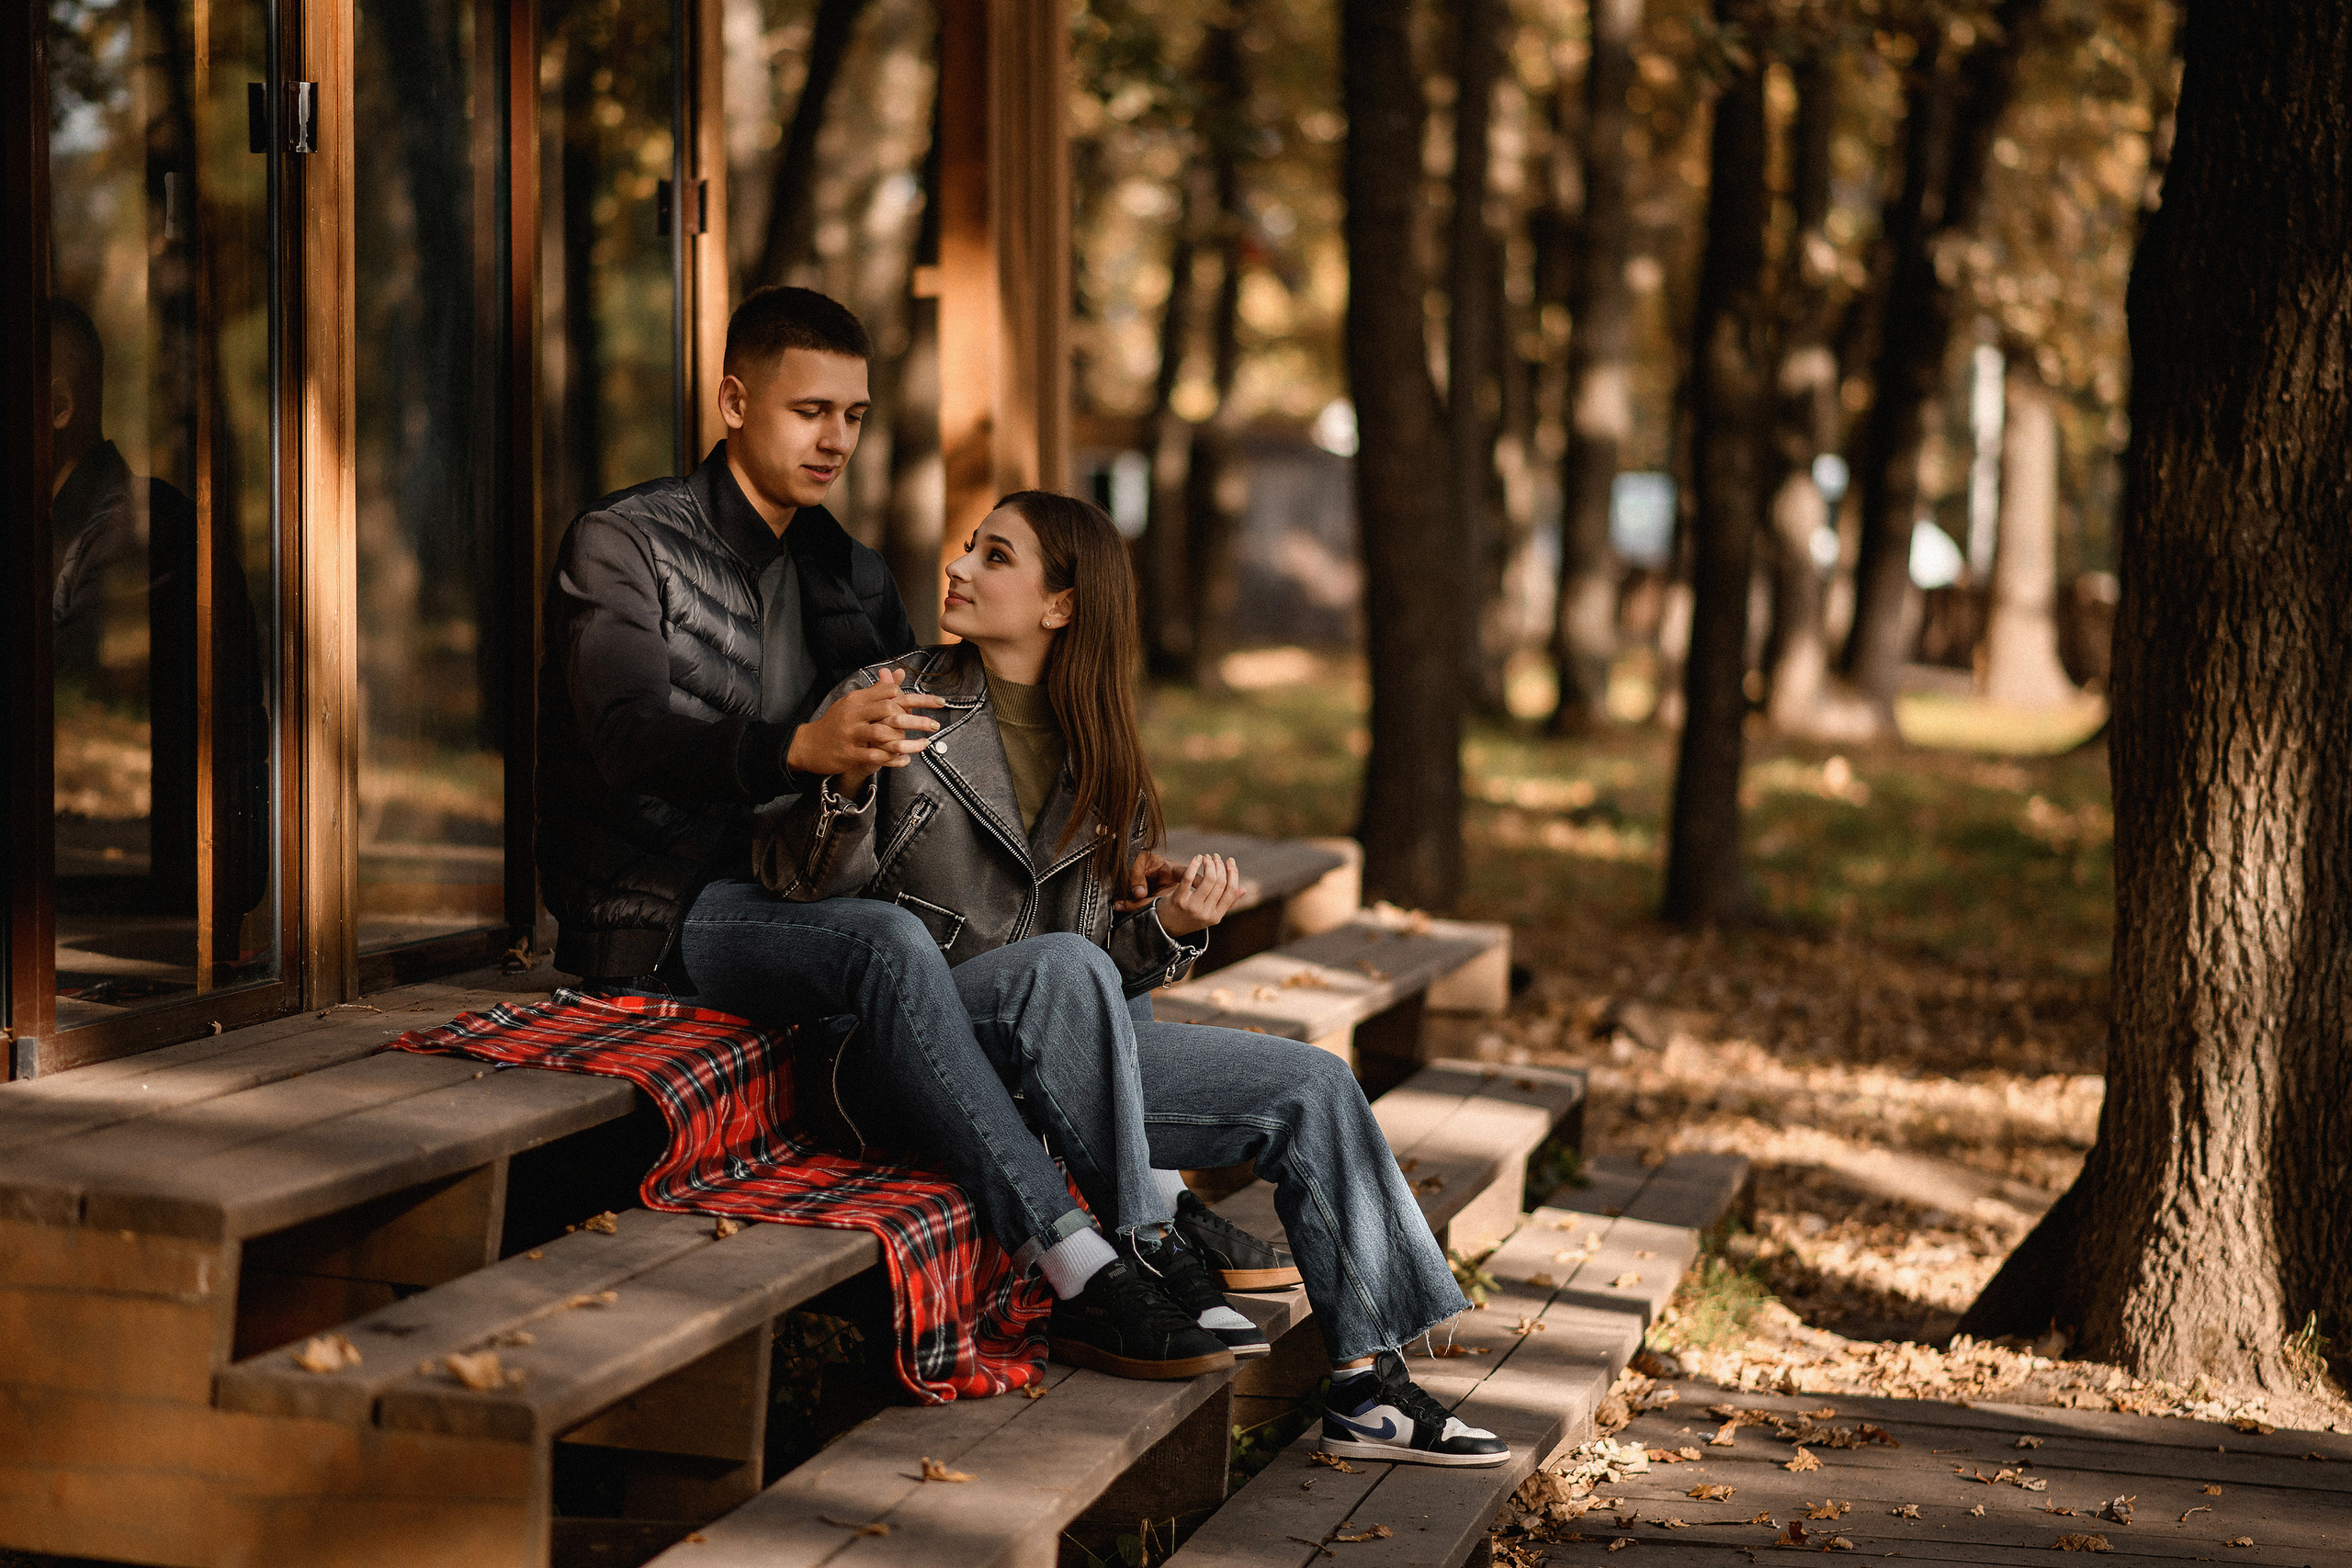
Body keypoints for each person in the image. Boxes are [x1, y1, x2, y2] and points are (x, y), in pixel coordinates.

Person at [537, 285, 1282, 1383]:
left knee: (1076, 930)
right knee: (884, 945)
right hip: (673, 909)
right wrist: (800, 749)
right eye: (808, 411)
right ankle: (1079, 1263)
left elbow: (951, 744)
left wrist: (1100, 862)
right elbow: (625, 738)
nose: (834, 437)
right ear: (735, 401)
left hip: (832, 890)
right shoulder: (625, 542)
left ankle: (1157, 1207)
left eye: (853, 413)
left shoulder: (848, 570)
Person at [754, 491, 1512, 1467]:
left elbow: (1093, 976)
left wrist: (1166, 924)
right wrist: (844, 785)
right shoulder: (890, 698)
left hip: (1048, 1054)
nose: (959, 567)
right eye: (970, 548)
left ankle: (1370, 1389)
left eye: (996, 556)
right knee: (1060, 968)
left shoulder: (1102, 757)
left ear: (1061, 606)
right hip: (905, 1057)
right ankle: (1153, 1244)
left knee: (1312, 1086)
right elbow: (793, 884)